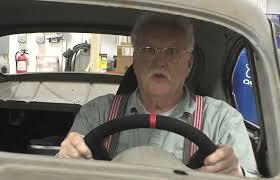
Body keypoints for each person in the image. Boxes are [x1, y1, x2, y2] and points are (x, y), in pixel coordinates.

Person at [57, 13, 259, 177]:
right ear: (134, 61)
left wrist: (236, 172)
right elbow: (60, 173)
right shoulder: (96, 113)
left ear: (188, 65)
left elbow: (250, 175)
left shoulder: (223, 120)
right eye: (148, 50)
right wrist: (65, 158)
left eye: (172, 51)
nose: (160, 62)